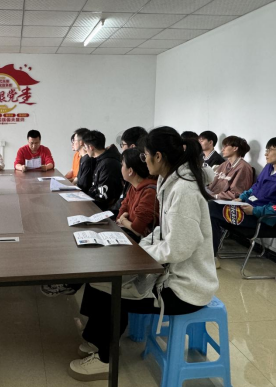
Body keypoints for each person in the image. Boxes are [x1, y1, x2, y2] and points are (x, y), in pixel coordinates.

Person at [68, 127, 219, 382]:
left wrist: (139, 257)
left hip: (185, 287)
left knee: (111, 291)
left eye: (145, 155)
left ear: (158, 156)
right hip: (169, 272)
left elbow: (179, 247)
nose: (143, 160)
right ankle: (96, 341)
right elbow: (162, 232)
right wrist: (139, 250)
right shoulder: (170, 182)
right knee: (98, 282)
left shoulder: (184, 190)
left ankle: (105, 359)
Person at [209, 137, 276, 267]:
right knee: (211, 211)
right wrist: (242, 197)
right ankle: (210, 256)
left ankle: (210, 257)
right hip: (247, 208)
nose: (266, 154)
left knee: (210, 208)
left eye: (269, 150)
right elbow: (256, 187)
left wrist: (255, 210)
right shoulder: (268, 168)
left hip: (262, 219)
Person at [116, 149, 159, 243]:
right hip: (131, 237)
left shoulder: (150, 192)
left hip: (143, 244)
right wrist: (123, 220)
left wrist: (123, 220)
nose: (121, 168)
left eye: (122, 165)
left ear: (130, 171)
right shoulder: (133, 187)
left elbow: (137, 229)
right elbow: (122, 210)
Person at [83, 130, 123, 211]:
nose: (85, 150)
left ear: (91, 147)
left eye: (85, 147)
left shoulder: (108, 164)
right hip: (98, 203)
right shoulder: (101, 160)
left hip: (104, 209)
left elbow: (105, 197)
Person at [113, 127, 149, 217]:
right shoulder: (132, 183)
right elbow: (124, 203)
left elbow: (138, 222)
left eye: (123, 144)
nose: (121, 148)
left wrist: (122, 219)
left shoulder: (145, 185)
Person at [208, 136, 254, 201]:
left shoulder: (244, 167)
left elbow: (237, 193)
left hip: (224, 201)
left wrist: (215, 196)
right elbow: (212, 184)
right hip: (213, 196)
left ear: (235, 148)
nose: (222, 150)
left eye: (225, 146)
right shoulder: (224, 164)